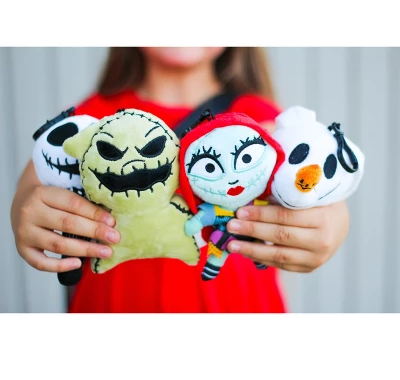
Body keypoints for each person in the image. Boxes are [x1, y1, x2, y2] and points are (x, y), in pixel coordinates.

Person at [10, 47, 349, 313]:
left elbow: (312, 184)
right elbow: (33, 188)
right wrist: (25, 213)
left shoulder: (262, 119)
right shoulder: (93, 118)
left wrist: (336, 219)